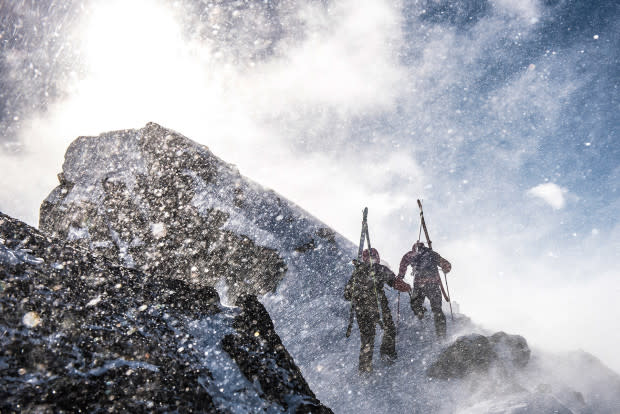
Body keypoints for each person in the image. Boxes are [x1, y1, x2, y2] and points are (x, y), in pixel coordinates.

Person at [344, 248, 411, 373]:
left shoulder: (357, 272)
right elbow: (395, 282)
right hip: (378, 307)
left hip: (361, 310)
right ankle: (387, 354)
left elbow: (347, 295)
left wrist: (358, 291)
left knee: (367, 338)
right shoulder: (380, 269)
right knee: (389, 328)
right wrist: (406, 287)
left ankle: (365, 368)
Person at [397, 241, 452, 339]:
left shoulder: (412, 254)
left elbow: (404, 263)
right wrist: (445, 268)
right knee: (437, 309)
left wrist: (401, 276)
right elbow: (445, 263)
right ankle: (441, 334)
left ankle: (423, 315)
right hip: (433, 285)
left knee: (415, 304)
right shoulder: (431, 253)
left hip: (419, 285)